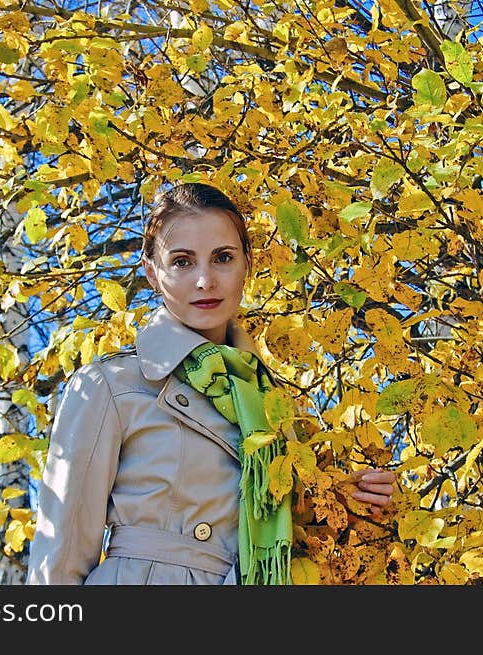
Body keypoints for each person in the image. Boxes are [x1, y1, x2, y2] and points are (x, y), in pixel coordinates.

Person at [26, 182, 396, 585]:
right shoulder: (110, 385)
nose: (205, 280)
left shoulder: (272, 403)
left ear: (246, 266)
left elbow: (285, 530)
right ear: (153, 273)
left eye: (222, 258)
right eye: (182, 262)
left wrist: (350, 494)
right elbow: (58, 556)